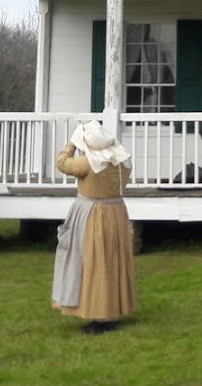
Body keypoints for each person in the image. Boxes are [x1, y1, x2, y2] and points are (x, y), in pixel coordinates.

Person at [51, 120, 137, 335]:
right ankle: (110, 310)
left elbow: (61, 162)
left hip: (93, 215)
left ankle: (100, 315)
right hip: (116, 213)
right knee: (112, 262)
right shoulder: (122, 160)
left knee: (95, 263)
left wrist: (72, 143)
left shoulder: (88, 163)